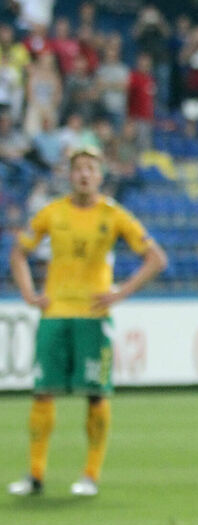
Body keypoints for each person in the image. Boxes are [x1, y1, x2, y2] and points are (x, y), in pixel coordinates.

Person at [7, 146, 168, 498]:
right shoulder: (52, 212)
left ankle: (90, 475)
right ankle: (35, 475)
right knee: (42, 391)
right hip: (55, 313)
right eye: (78, 168)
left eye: (90, 169)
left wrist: (120, 292)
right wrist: (29, 293)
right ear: (69, 174)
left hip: (93, 316)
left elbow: (156, 258)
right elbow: (18, 252)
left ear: (100, 175)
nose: (84, 174)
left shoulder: (114, 215)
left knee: (95, 394)